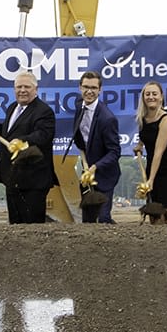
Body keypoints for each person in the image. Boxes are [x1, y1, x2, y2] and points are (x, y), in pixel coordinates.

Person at [0, 70, 56, 224]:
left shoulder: (44, 111)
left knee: (32, 227)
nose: (22, 90)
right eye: (19, 87)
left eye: (27, 87)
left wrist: (20, 141)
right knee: (15, 226)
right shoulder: (12, 107)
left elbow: (42, 135)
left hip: (33, 180)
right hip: (12, 177)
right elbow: (13, 130)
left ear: (36, 89)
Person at [131, 80, 167, 224]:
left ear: (161, 97)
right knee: (153, 216)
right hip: (153, 168)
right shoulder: (143, 118)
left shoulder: (166, 120)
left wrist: (151, 180)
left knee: (163, 215)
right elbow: (147, 136)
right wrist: (139, 145)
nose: (151, 97)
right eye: (147, 94)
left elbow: (158, 152)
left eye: (154, 94)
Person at [69, 70, 120, 223]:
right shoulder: (79, 106)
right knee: (88, 219)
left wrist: (95, 167)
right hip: (86, 172)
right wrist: (86, 165)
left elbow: (114, 151)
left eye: (93, 88)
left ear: (100, 90)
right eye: (86, 87)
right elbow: (80, 138)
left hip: (104, 176)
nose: (89, 91)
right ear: (80, 88)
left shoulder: (107, 118)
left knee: (103, 219)